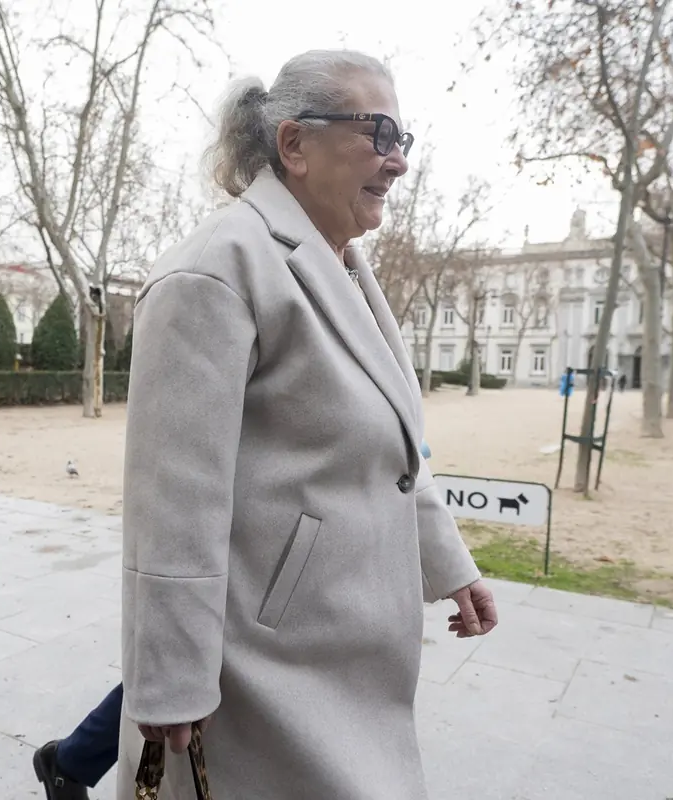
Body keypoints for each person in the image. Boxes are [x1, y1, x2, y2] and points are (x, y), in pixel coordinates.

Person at [117, 49, 497, 800]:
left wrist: (449, 566)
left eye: (403, 141)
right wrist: (168, 684)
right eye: (378, 134)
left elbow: (389, 449)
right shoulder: (215, 270)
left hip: (340, 643)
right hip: (265, 664)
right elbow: (173, 507)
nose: (397, 163)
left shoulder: (344, 264)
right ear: (294, 145)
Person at [32, 433, 442, 799]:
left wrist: (447, 560)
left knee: (190, 675)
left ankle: (70, 761)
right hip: (252, 551)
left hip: (307, 562)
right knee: (192, 674)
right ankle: (70, 761)